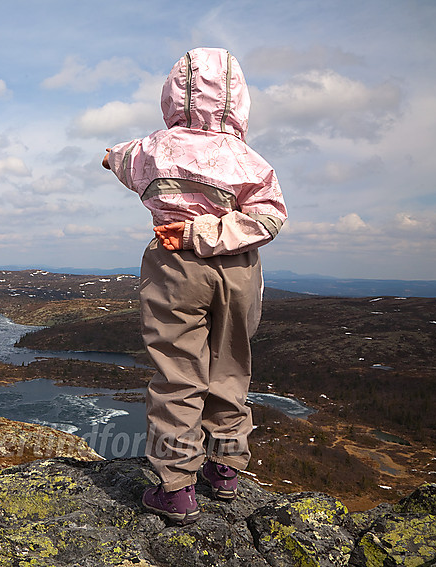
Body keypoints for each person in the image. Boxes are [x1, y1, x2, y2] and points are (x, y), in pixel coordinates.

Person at [102, 47, 287, 525]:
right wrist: (215, 230)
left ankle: (176, 486)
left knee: (179, 373)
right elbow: (270, 217)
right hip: (240, 268)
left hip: (174, 265)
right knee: (231, 365)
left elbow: (115, 158)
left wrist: (188, 231)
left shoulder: (150, 149)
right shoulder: (251, 161)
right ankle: (225, 468)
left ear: (172, 95)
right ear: (238, 100)